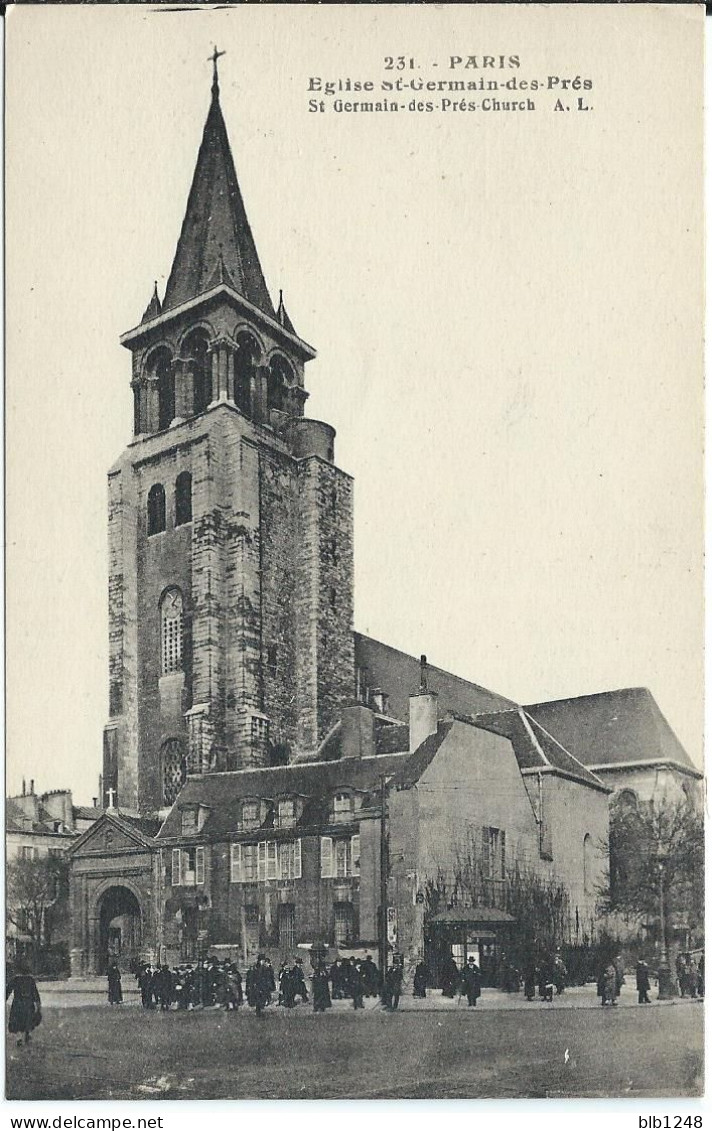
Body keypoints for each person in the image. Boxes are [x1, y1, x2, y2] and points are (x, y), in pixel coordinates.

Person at [6, 962, 42, 1046]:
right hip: (28, 1003)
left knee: (18, 1020)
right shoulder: (30, 979)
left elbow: (8, 990)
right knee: (27, 1020)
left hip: (18, 1003)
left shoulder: (15, 979)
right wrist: (38, 1003)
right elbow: (35, 992)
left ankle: (19, 1037)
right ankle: (26, 1035)